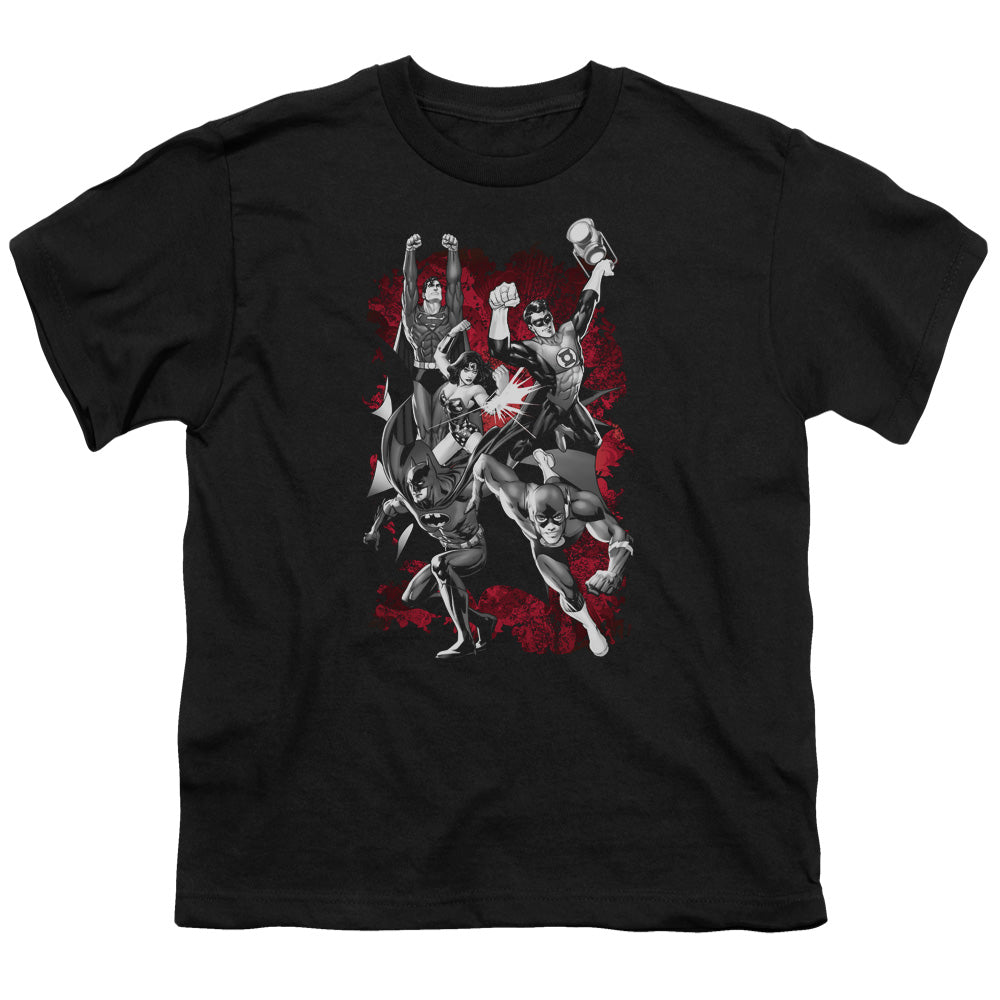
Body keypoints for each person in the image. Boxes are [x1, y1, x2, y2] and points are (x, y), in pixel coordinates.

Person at [470, 448, 632, 657]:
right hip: (542, 546)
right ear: (530, 514)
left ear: (565, 511)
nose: (550, 528)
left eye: (556, 519)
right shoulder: (513, 498)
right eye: (542, 520)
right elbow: (483, 462)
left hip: (569, 514)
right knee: (569, 590)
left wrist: (613, 571)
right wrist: (475, 496)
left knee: (598, 529)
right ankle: (590, 625)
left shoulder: (581, 505)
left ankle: (546, 466)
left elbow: (618, 532)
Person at [488, 258, 614, 454]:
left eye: (547, 318)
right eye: (539, 322)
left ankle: (562, 431)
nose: (545, 324)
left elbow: (586, 304)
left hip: (572, 403)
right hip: (554, 406)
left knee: (594, 440)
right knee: (524, 448)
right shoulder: (534, 349)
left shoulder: (569, 332)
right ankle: (553, 431)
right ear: (531, 328)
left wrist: (598, 271)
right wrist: (499, 311)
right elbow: (499, 350)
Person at [392, 232, 468, 443]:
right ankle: (425, 462)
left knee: (440, 429)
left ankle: (439, 461)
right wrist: (409, 252)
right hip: (420, 375)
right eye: (431, 286)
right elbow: (409, 281)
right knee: (425, 430)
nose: (436, 288)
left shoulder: (450, 317)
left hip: (445, 375)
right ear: (423, 294)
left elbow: (454, 283)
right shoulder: (412, 317)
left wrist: (453, 252)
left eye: (438, 286)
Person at [429, 321, 510, 465]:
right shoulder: (452, 378)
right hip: (454, 436)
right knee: (430, 466)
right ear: (459, 369)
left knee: (488, 464)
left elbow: (490, 409)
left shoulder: (475, 389)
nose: (470, 375)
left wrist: (501, 390)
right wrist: (453, 332)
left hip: (469, 435)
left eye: (474, 371)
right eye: (466, 370)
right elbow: (439, 356)